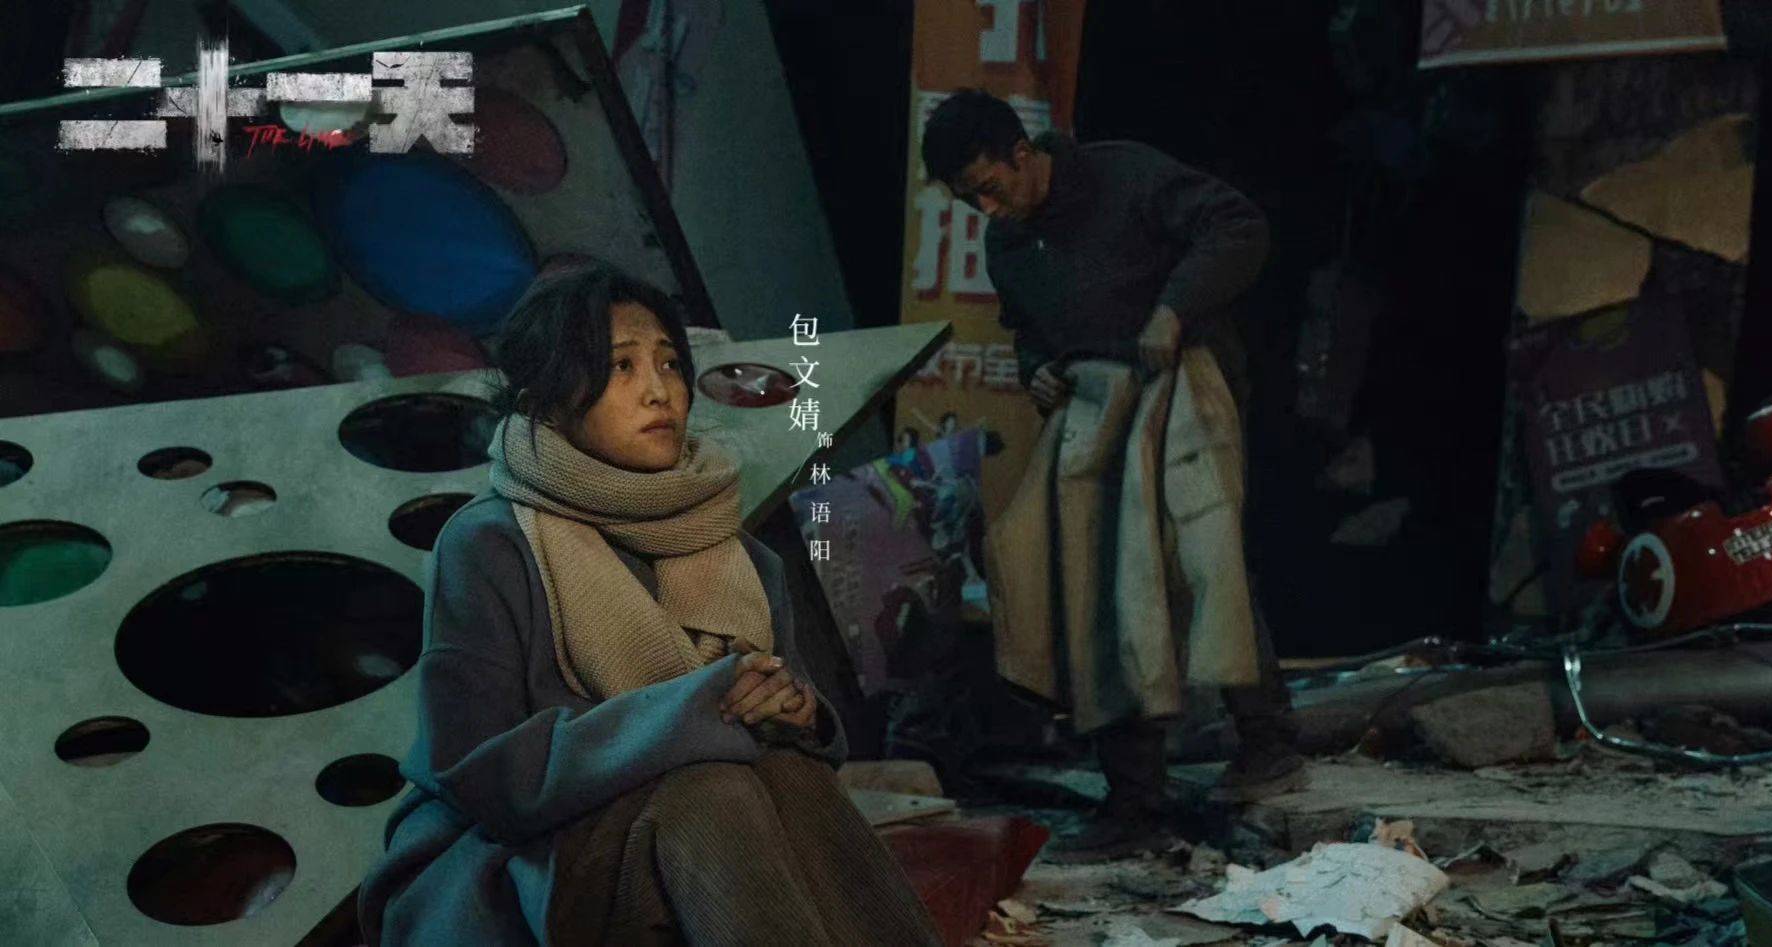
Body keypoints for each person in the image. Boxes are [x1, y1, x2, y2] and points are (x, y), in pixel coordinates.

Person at [356, 263, 942, 946]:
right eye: (621, 367)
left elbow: (794, 718)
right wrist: (693, 712)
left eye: (668, 363)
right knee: (711, 791)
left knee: (790, 773)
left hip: (681, 832)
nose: (659, 391)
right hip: (510, 859)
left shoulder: (743, 555)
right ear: (549, 398)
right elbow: (480, 775)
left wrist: (792, 710)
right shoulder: (490, 543)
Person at [922, 90, 1304, 862]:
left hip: (1182, 382)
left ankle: (1266, 742)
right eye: (969, 200)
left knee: (1201, 566)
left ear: (1023, 154)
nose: (986, 209)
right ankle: (1134, 798)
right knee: (1086, 587)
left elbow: (1237, 226)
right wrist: (1037, 370)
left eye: (990, 188)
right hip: (1095, 405)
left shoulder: (1123, 176)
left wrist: (1173, 309)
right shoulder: (1008, 243)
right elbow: (1026, 330)